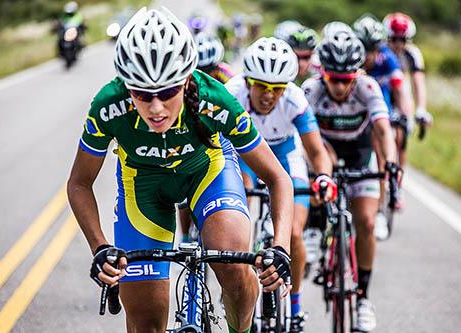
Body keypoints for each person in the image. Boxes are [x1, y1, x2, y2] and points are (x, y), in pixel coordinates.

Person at [67, 7, 294, 333]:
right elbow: (79, 183)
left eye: (168, 92)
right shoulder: (108, 105)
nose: (156, 107)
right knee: (145, 320)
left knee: (231, 261)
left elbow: (276, 177)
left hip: (207, 171)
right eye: (142, 94)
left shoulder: (214, 99)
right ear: (125, 84)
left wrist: (281, 247)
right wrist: (100, 247)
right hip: (144, 187)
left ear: (188, 79)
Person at [225, 37, 336, 333]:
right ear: (248, 81)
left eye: (277, 88)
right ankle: (239, 290)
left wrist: (323, 176)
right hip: (244, 158)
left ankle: (295, 306)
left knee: (295, 233)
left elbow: (315, 152)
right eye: (261, 86)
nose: (269, 95)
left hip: (285, 159)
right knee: (240, 225)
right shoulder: (231, 94)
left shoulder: (295, 99)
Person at [302, 22, 401, 332]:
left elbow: (384, 130)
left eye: (347, 80)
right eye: (334, 80)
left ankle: (362, 300)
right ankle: (316, 227)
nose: (341, 88)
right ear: (323, 73)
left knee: (367, 223)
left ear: (356, 74)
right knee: (321, 170)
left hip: (360, 152)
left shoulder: (368, 87)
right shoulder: (311, 90)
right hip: (324, 149)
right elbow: (300, 137)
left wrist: (392, 164)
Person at [353, 14, 409, 238]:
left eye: (373, 49)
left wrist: (405, 116)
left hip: (380, 113)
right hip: (357, 115)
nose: (368, 55)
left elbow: (400, 90)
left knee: (386, 145)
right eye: (364, 48)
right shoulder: (351, 58)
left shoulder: (388, 59)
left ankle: (380, 207)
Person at [178, 32, 235, 243]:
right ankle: (184, 237)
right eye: (200, 71)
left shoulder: (228, 76)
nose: (206, 76)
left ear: (218, 66)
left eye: (211, 70)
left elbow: (234, 110)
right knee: (183, 196)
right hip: (191, 126)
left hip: (217, 127)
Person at [383, 12, 433, 130]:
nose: (398, 44)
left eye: (402, 39)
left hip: (402, 94)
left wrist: (421, 108)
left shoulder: (413, 53)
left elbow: (418, 81)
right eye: (394, 39)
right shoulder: (381, 52)